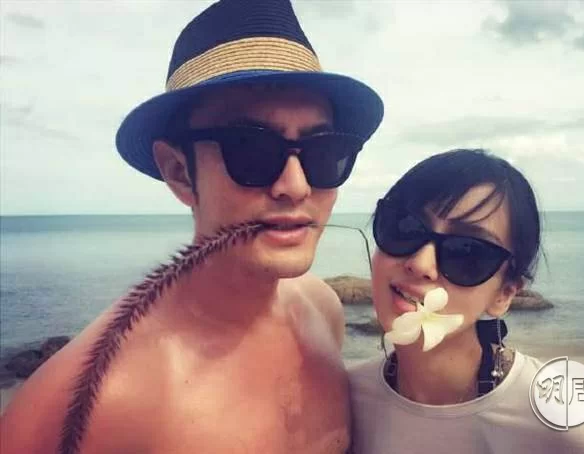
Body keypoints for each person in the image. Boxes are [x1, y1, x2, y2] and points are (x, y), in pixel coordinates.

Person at [1, 1, 383, 453]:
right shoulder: (89, 402)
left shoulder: (321, 311)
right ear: (179, 172)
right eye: (251, 149)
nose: (296, 186)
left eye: (326, 153)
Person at [348, 149, 584, 453]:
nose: (421, 264)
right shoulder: (345, 398)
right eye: (405, 226)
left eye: (467, 252)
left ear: (505, 294)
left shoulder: (555, 413)